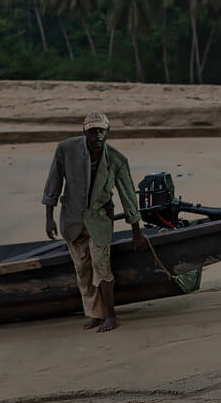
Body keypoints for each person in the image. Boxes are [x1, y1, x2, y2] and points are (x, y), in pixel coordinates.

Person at [42, 111, 148, 333]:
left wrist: (136, 231)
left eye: (101, 130)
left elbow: (128, 195)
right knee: (82, 270)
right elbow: (53, 183)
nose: (97, 135)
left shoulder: (117, 160)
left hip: (99, 221)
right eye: (92, 131)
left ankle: (111, 315)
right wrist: (49, 217)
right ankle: (95, 315)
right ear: (84, 131)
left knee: (102, 267)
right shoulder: (66, 149)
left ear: (107, 132)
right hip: (72, 220)